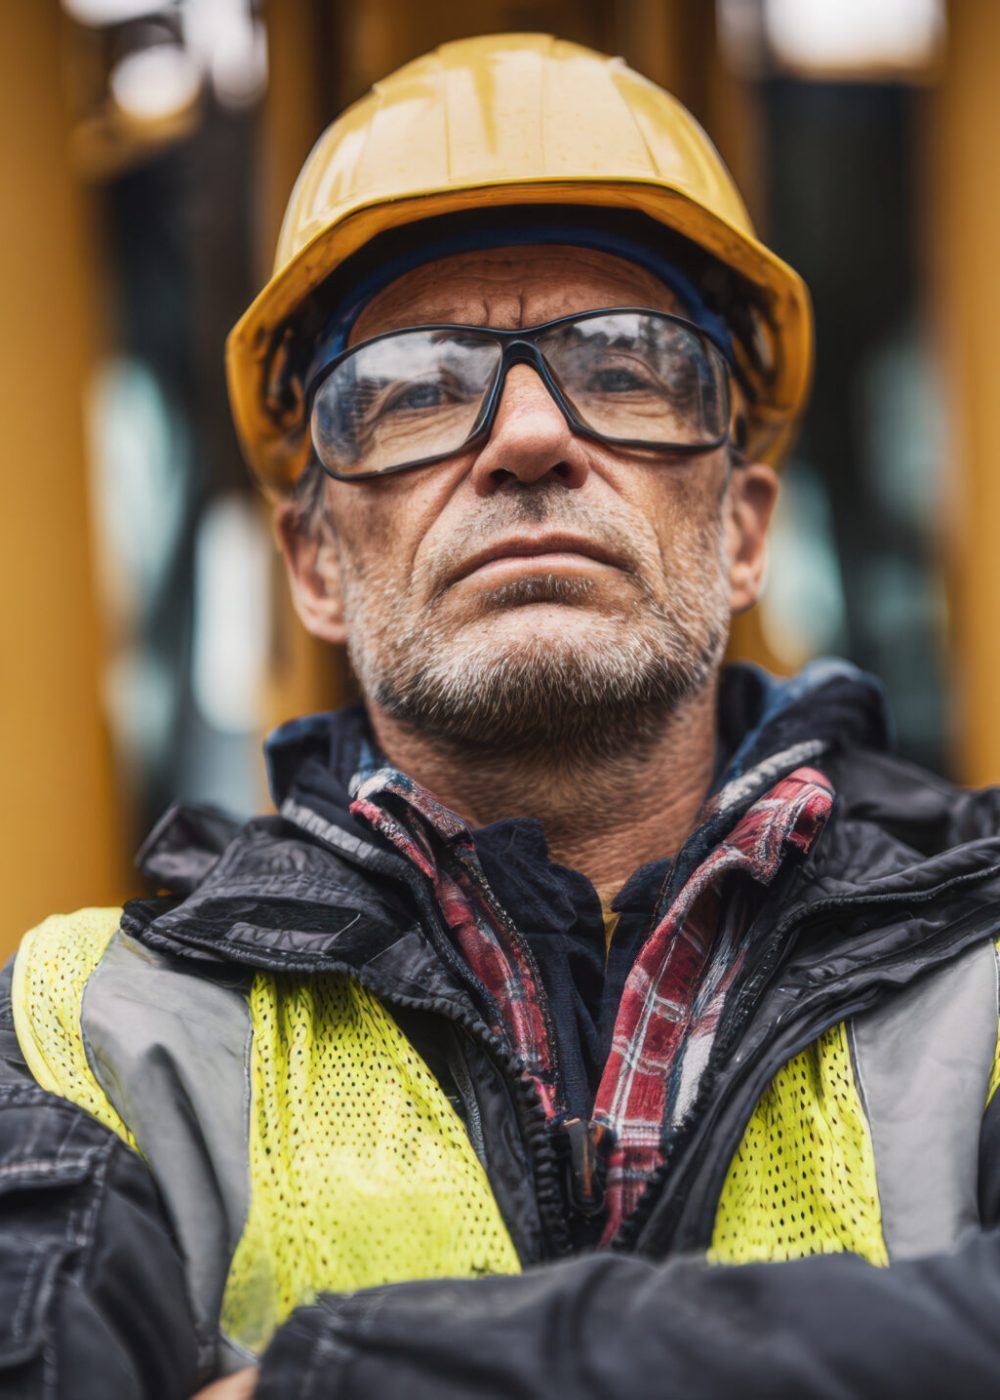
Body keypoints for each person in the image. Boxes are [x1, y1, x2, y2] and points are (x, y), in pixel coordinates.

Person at [2, 32, 1000, 1400]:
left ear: (747, 528)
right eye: (413, 389)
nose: (530, 435)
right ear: (313, 565)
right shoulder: (89, 1032)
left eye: (627, 362)